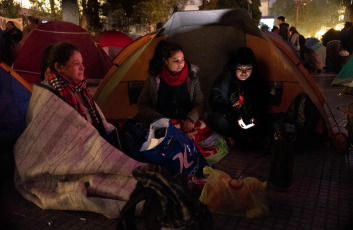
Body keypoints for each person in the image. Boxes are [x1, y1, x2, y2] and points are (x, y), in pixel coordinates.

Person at [208, 47, 270, 149]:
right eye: (240, 69)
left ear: (253, 68)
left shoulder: (258, 81)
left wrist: (256, 117)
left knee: (269, 120)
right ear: (233, 67)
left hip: (251, 121)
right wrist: (235, 117)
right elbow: (216, 103)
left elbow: (263, 104)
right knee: (215, 119)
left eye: (248, 69)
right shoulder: (224, 81)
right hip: (232, 121)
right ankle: (243, 139)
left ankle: (245, 139)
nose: (244, 73)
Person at [137, 40, 205, 133]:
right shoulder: (154, 79)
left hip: (185, 122)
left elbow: (199, 103)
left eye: (182, 59)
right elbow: (142, 104)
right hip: (161, 122)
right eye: (176, 61)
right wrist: (160, 120)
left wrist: (190, 119)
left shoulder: (192, 77)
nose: (181, 64)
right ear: (165, 61)